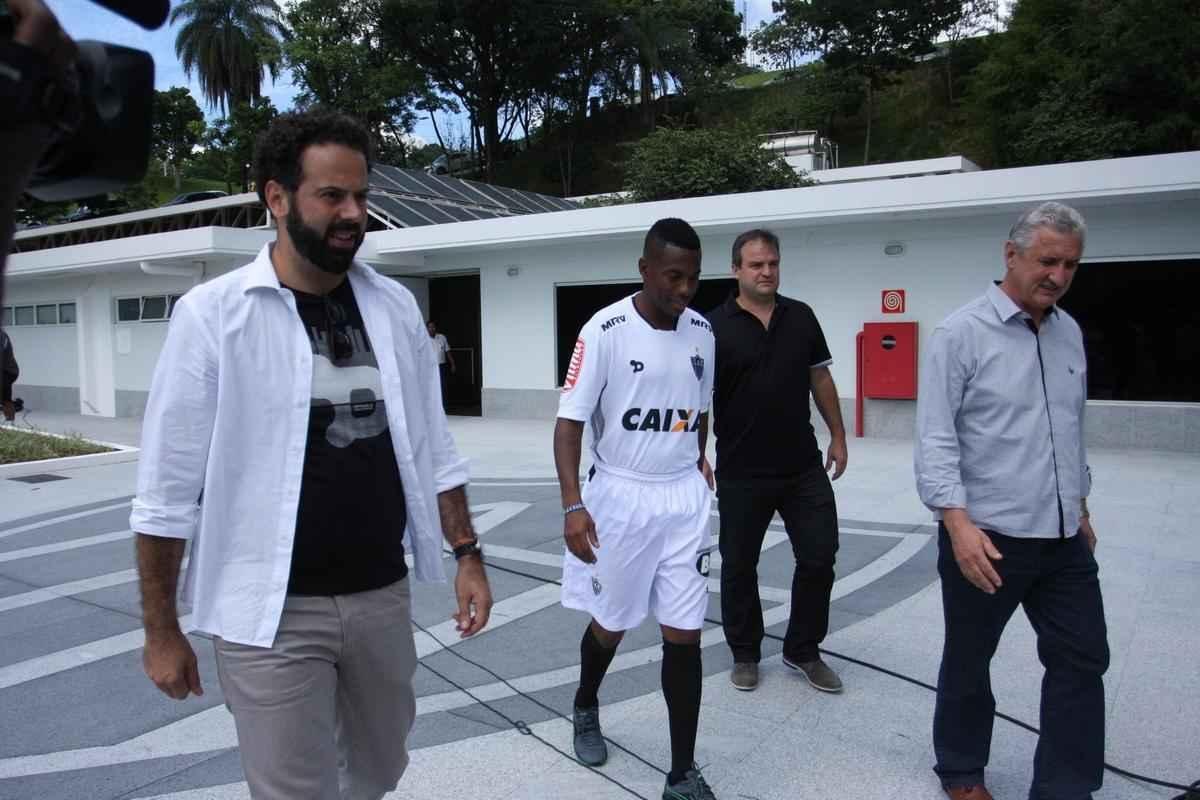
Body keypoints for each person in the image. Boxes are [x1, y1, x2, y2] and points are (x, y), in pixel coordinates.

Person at [132, 109, 493, 800]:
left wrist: (467, 553)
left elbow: (433, 446)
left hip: (379, 594)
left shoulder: (392, 308)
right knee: (297, 790)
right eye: (332, 196)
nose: (353, 213)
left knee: (380, 769)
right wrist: (161, 630)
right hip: (270, 613)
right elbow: (165, 490)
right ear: (277, 198)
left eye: (361, 196)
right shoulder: (213, 316)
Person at [915, 201, 1108, 800]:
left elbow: (1069, 427)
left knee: (1083, 658)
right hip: (987, 539)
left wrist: (1079, 505)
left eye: (1070, 265)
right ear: (1011, 254)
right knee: (971, 661)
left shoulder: (1069, 331)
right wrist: (956, 523)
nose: (1058, 275)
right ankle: (962, 770)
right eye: (1047, 260)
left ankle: (1066, 786)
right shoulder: (960, 334)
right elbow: (937, 437)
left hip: (1062, 538)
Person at [554, 218, 718, 800]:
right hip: (621, 497)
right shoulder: (605, 331)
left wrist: (699, 459)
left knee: (686, 633)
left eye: (694, 278)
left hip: (683, 500)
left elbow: (699, 410)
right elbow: (569, 425)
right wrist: (575, 504)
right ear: (644, 269)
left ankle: (681, 774)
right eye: (674, 276)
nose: (685, 290)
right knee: (613, 623)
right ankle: (585, 703)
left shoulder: (702, 332)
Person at [706, 229, 846, 694]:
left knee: (819, 556)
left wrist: (839, 436)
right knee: (739, 565)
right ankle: (745, 653)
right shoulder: (712, 327)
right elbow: (697, 400)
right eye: (755, 265)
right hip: (741, 471)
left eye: (772, 263)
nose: (766, 272)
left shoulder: (800, 316)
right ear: (736, 270)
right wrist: (695, 456)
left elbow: (820, 379)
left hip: (802, 467)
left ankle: (803, 649)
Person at [426, 320, 456, 406]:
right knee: (432, 388)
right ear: (427, 328)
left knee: (443, 387)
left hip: (442, 366)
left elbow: (448, 351)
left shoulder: (442, 337)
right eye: (430, 327)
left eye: (433, 327)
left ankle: (444, 407)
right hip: (430, 367)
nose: (432, 329)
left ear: (436, 328)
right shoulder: (424, 339)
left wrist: (453, 364)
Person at [1, 328, 18, 422]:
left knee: (6, 400)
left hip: (8, 371)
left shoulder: (2, 336)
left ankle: (10, 423)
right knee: (5, 399)